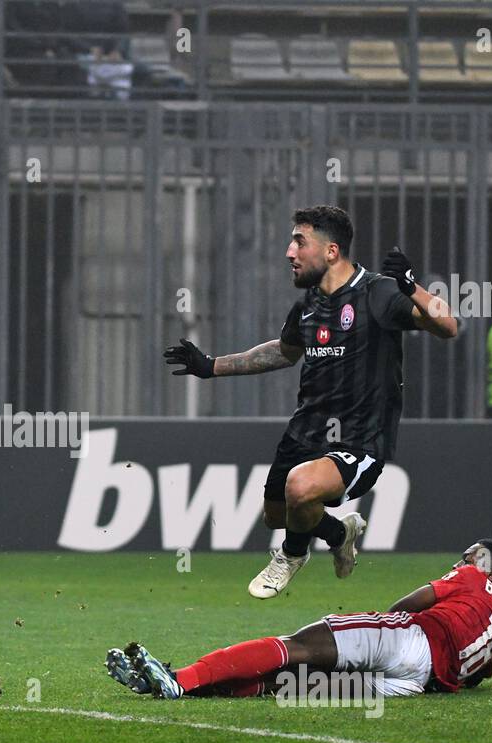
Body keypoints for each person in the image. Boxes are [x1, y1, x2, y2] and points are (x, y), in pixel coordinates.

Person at [164, 205, 460, 599]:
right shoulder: (307, 306)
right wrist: (211, 366)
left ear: (332, 251)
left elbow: (448, 325)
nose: (290, 252)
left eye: (299, 242)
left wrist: (412, 287)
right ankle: (340, 532)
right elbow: (284, 352)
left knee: (300, 489)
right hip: (307, 429)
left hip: (360, 437)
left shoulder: (378, 292)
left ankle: (290, 555)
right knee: (277, 514)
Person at [106, 539, 492, 701]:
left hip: (409, 640)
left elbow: (415, 601)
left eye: (475, 553)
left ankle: (182, 680)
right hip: (415, 683)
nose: (466, 558)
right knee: (288, 684)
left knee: (296, 648)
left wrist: (380, 627)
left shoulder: (472, 578)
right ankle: (173, 682)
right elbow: (478, 675)